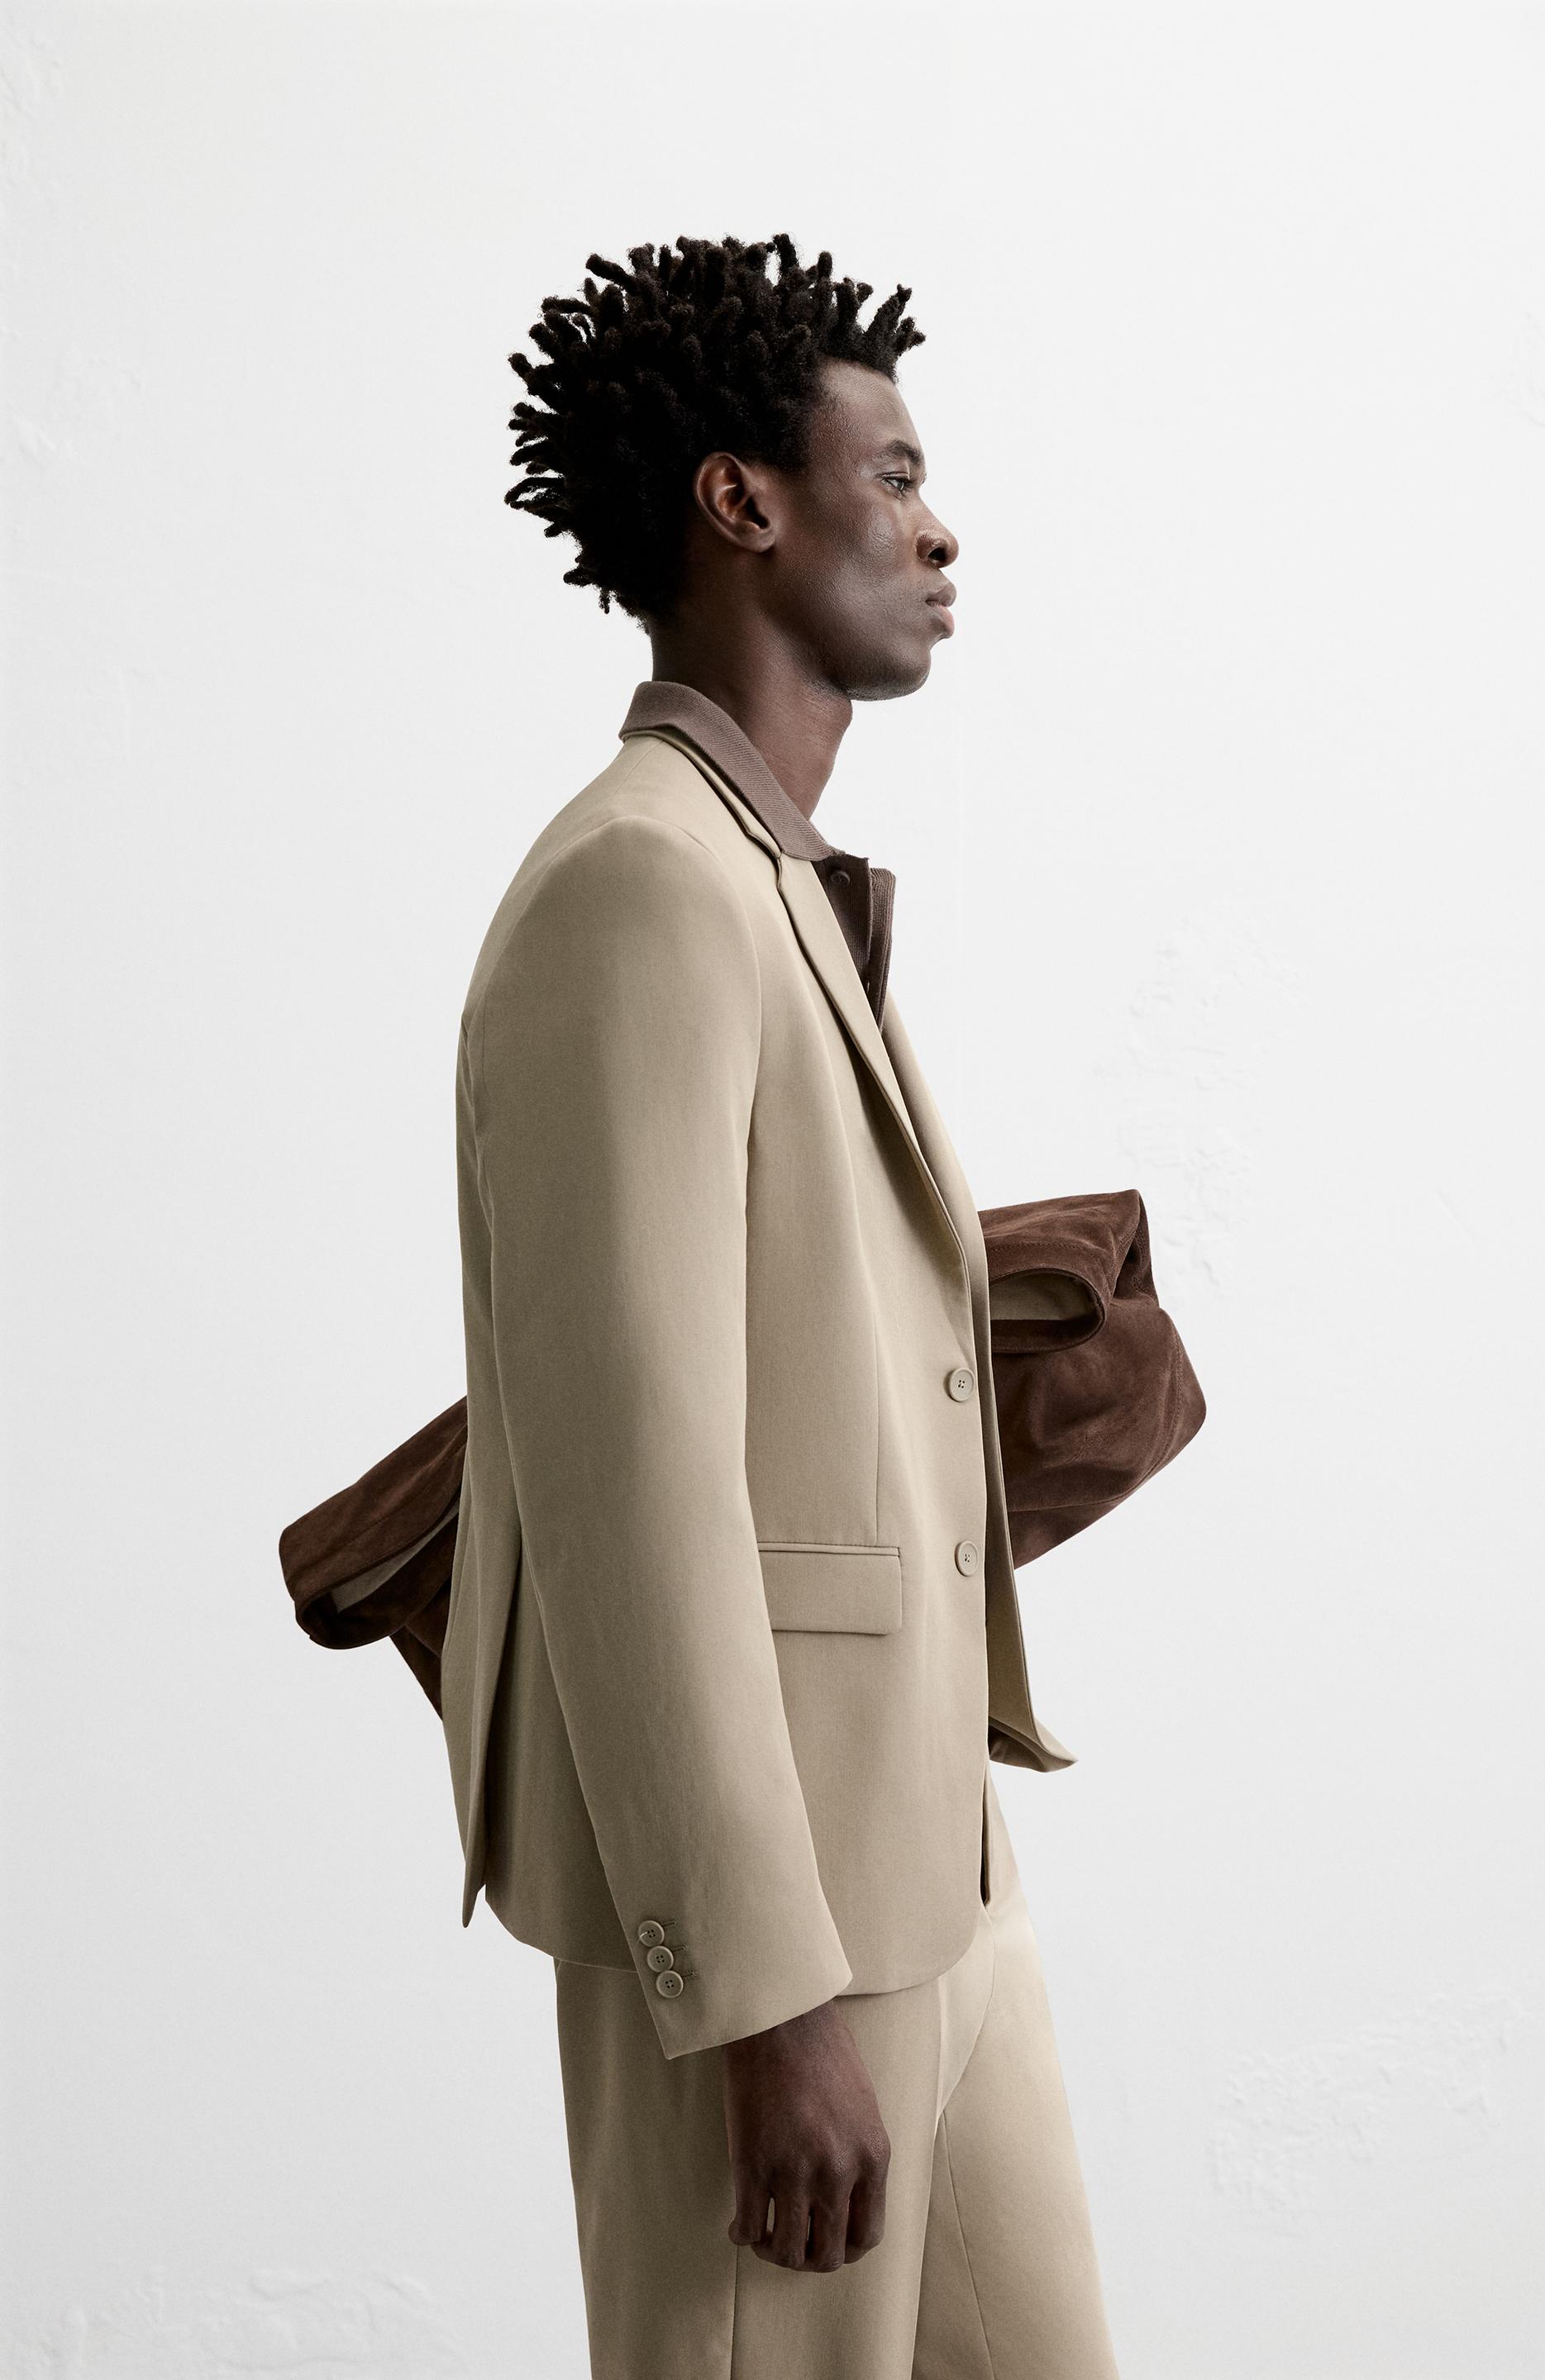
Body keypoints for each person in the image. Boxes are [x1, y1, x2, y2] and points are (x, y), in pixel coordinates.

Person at [443, 231, 1121, 2379]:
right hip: (780, 1938)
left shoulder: (771, 889)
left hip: (934, 1871)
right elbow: (630, 1490)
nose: (939, 530)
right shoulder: (639, 889)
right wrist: (760, 1999)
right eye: (893, 475)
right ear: (741, 502)